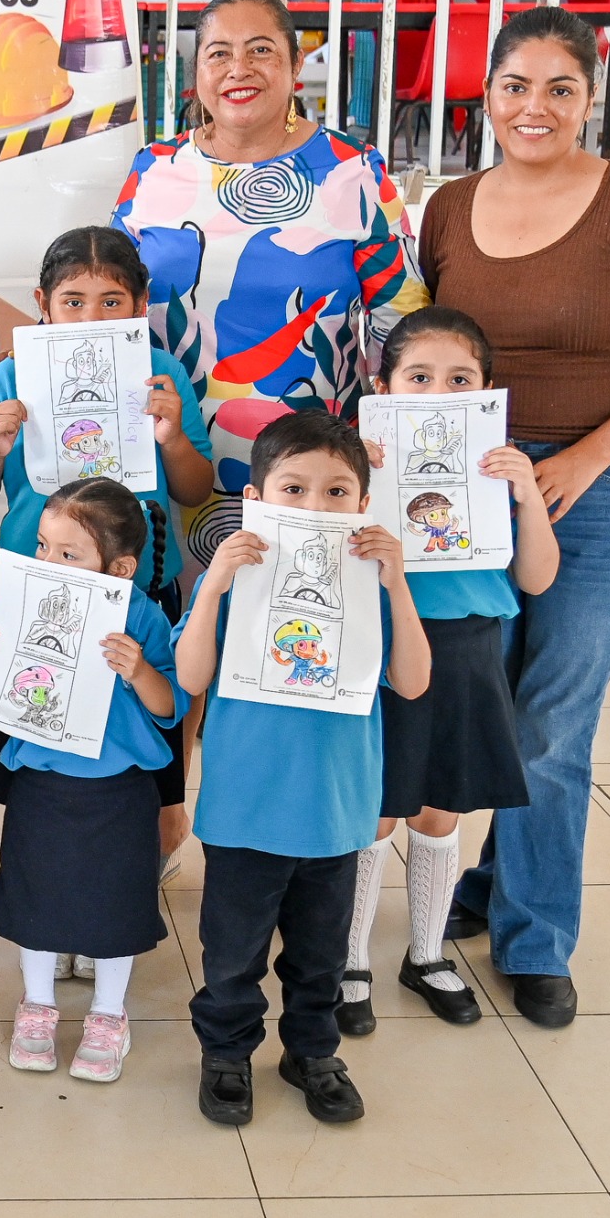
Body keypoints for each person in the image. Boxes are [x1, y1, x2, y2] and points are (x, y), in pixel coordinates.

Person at [418, 7, 610, 1028]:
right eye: (514, 85)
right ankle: (491, 883)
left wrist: (587, 457)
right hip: (473, 489)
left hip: (604, 485)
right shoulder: (448, 208)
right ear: (486, 95)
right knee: (488, 700)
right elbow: (438, 355)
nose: (532, 107)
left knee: (553, 721)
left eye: (558, 88)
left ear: (592, 98)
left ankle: (534, 937)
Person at [175, 412, 428, 1127]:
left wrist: (400, 585)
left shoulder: (374, 584)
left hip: (335, 811)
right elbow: (190, 676)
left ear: (362, 504)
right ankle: (225, 1051)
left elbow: (412, 682)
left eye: (336, 491)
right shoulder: (236, 576)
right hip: (245, 808)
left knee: (322, 955)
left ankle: (311, 1049)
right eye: (293, 488)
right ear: (256, 496)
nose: (314, 507)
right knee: (232, 953)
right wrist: (215, 585)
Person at [0, 227, 213, 886]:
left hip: (138, 590)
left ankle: (140, 859)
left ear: (140, 302)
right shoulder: (9, 375)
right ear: (42, 301)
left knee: (140, 729)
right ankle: (46, 873)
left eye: (110, 300)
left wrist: (174, 434)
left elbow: (194, 486)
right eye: (73, 300)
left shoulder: (163, 374)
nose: (91, 316)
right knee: (35, 734)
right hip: (32, 589)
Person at [112, 0, 426, 498]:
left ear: (296, 64)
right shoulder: (154, 168)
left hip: (314, 472)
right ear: (198, 73)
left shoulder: (353, 171)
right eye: (219, 54)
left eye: (261, 49)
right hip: (167, 454)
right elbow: (109, 295)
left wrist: (393, 439)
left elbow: (401, 324)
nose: (239, 68)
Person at [339, 308, 558, 1032]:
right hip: (382, 647)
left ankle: (427, 952)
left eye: (458, 379)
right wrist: (355, 476)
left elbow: (535, 578)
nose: (437, 393)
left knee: (442, 808)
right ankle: (349, 959)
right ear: (384, 383)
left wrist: (527, 494)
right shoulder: (356, 461)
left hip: (469, 648)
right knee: (375, 810)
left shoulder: (500, 467)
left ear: (486, 389)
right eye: (419, 377)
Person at [0, 478, 189, 1085]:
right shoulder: (25, 600)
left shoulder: (144, 617)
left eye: (69, 553)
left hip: (119, 787)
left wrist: (139, 668)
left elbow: (170, 707)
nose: (49, 562)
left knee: (115, 903)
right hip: (43, 782)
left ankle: (107, 1013)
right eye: (44, 547)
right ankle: (38, 1003)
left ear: (121, 567)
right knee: (38, 897)